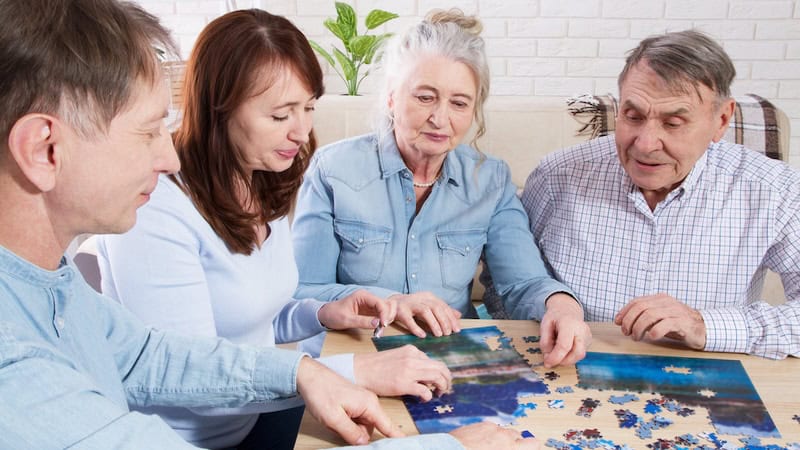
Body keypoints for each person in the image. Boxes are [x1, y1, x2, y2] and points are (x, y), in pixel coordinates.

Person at [0, 1, 538, 449]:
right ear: (44, 150)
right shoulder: (14, 368)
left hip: (256, 415)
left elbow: (148, 356)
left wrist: (306, 369)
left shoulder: (52, 281)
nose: (168, 158)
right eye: (147, 133)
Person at [94, 9, 458, 450]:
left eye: (307, 108)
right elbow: (191, 376)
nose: (301, 131)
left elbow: (253, 320)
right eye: (280, 115)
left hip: (257, 419)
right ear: (219, 109)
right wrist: (354, 372)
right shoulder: (155, 208)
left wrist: (320, 313)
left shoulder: (263, 177)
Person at [291, 9, 589, 368]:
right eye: (425, 97)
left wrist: (561, 305)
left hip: (452, 363)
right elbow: (302, 292)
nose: (440, 118)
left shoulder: (490, 181)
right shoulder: (332, 170)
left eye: (459, 103)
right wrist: (392, 302)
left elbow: (521, 282)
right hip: (356, 362)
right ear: (391, 97)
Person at [519, 29, 800, 360]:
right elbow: (507, 283)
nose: (645, 143)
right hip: (569, 369)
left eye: (673, 123)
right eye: (633, 116)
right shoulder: (556, 177)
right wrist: (553, 308)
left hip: (706, 380)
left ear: (720, 121)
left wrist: (704, 326)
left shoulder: (775, 192)